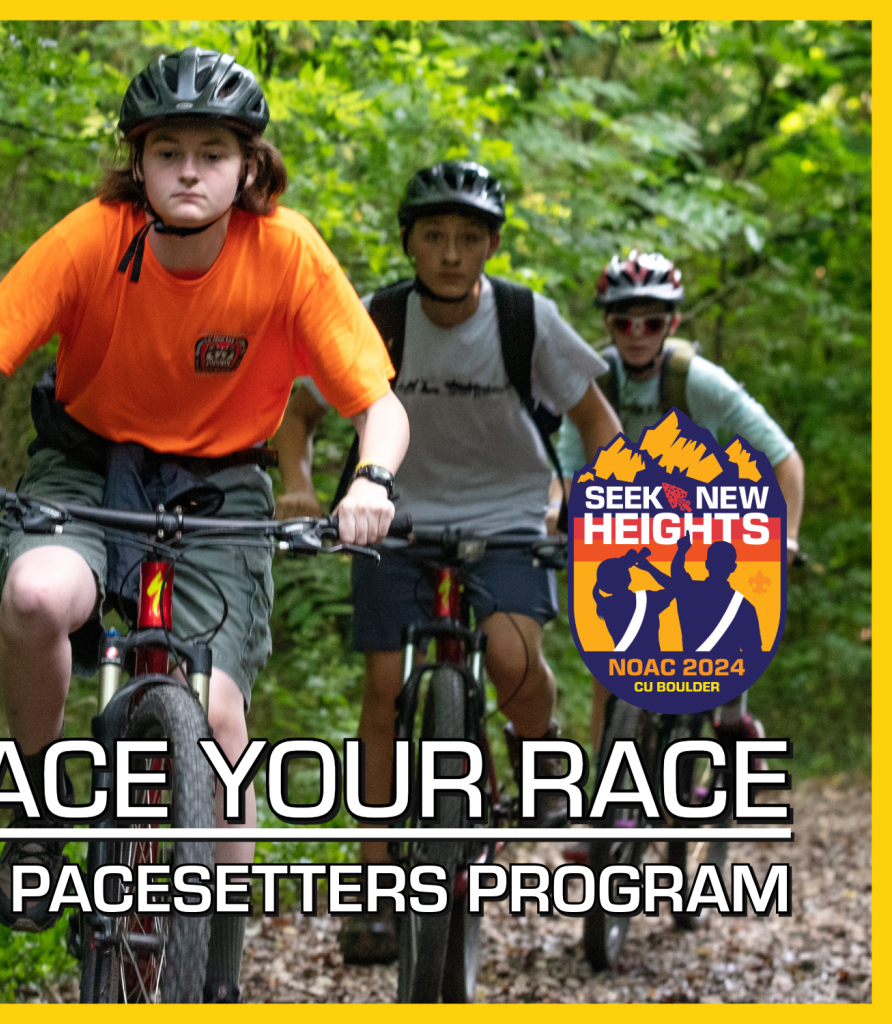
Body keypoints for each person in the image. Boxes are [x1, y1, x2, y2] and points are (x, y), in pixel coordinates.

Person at [0, 47, 409, 1002]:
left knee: (219, 720)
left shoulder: (288, 252)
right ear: (136, 162)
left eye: (213, 151)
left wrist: (371, 480)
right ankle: (42, 797)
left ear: (248, 167)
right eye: (167, 149)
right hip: (87, 465)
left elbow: (376, 405)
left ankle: (205, 957)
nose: (189, 169)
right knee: (34, 592)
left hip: (221, 487)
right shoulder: (94, 238)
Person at [274, 160, 621, 965]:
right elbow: (300, 414)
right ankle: (372, 886)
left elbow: (598, 425)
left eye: (469, 238)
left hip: (507, 514)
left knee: (512, 660)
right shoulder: (379, 317)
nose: (452, 253)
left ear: (492, 245)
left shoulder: (526, 319)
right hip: (391, 513)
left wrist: (596, 501)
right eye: (435, 236)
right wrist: (296, 482)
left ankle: (539, 759)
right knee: (380, 690)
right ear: (411, 243)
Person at [556, 249, 804, 832]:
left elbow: (785, 460)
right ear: (606, 325)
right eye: (623, 322)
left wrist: (786, 536)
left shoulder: (700, 382)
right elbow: (567, 474)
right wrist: (554, 520)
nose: (637, 334)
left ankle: (731, 719)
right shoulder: (594, 382)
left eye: (652, 321)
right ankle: (611, 801)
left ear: (674, 323)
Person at [594, 547, 676, 651]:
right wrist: (648, 567)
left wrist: (624, 563)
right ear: (626, 576)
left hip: (623, 665)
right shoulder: (647, 600)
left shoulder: (605, 606)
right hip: (651, 665)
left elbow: (597, 588)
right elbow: (675, 587)